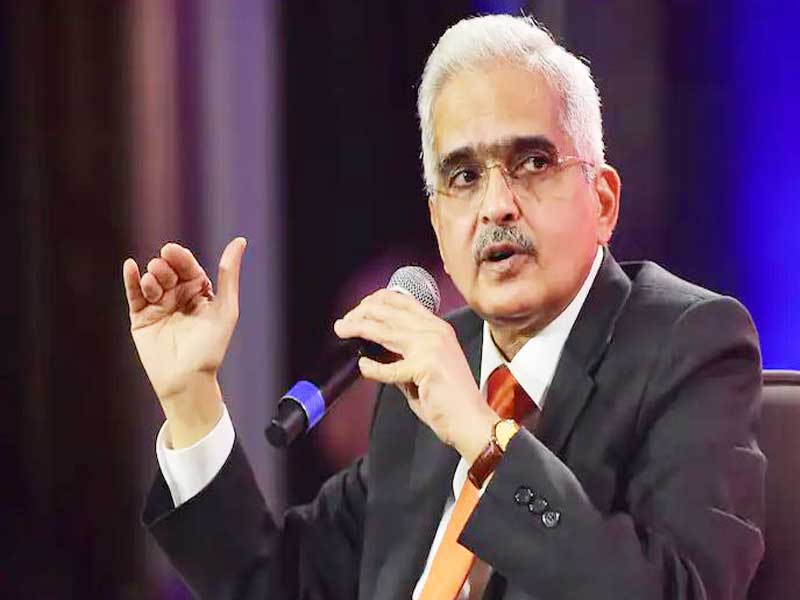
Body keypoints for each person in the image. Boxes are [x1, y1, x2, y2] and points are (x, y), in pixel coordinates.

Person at [122, 15, 765, 600]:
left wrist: (484, 438)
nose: (496, 206)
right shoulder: (431, 376)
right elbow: (276, 586)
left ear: (602, 202)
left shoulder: (690, 346)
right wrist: (190, 400)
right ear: (437, 225)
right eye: (464, 177)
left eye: (532, 162)